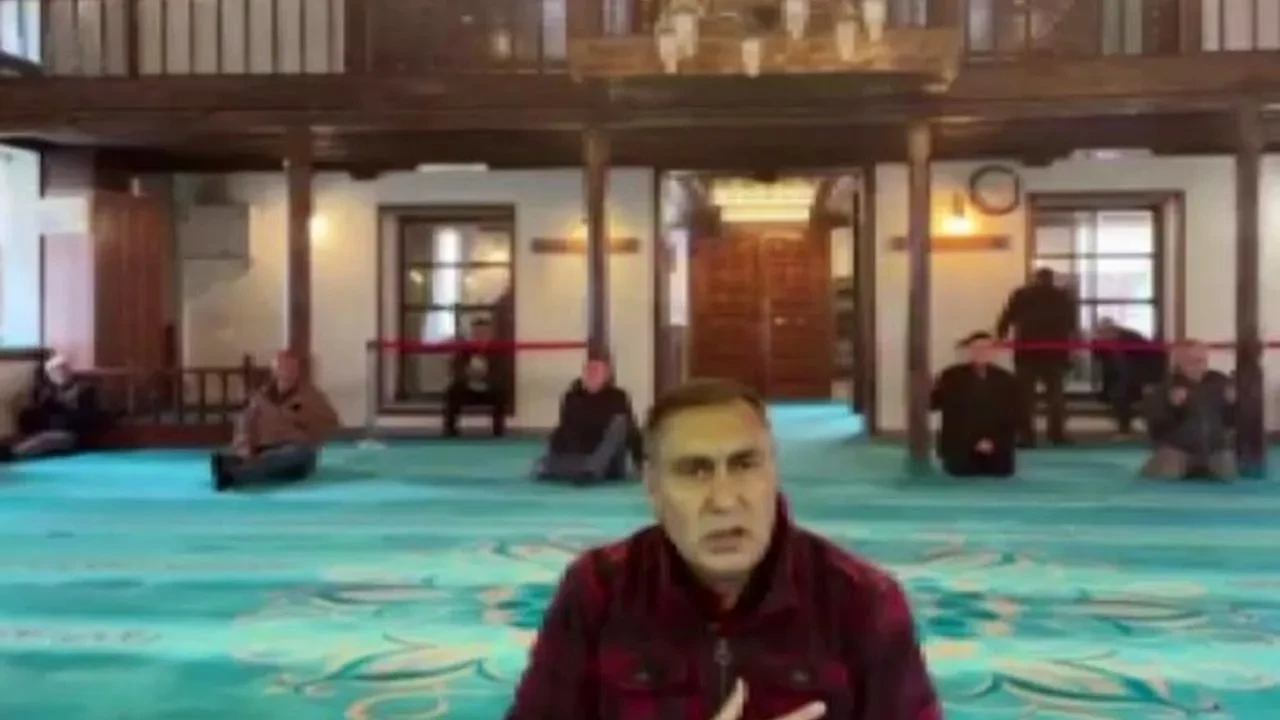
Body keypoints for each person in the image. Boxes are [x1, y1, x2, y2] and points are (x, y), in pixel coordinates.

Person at [506, 379, 940, 720]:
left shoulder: (860, 600)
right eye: (694, 471)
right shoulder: (599, 591)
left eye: (745, 465)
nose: (725, 500)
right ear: (653, 487)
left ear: (774, 472)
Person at [211, 350, 339, 491]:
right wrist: (244, 446)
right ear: (275, 371)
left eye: (292, 368)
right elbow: (244, 424)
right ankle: (239, 464)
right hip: (264, 447)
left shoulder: (311, 396)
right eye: (283, 368)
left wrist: (304, 425)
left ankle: (234, 474)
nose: (288, 372)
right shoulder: (259, 397)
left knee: (299, 455)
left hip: (295, 448)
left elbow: (331, 421)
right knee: (280, 468)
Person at [996, 267, 1078, 447]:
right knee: (1055, 397)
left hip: (1027, 352)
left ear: (1035, 279)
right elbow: (1071, 325)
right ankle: (1056, 435)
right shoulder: (1062, 296)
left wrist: (1000, 335)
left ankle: (1027, 437)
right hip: (1054, 353)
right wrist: (1070, 351)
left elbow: (1007, 316)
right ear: (1052, 279)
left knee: (1025, 398)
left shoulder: (1022, 294)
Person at [534, 357, 643, 483]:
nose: (591, 373)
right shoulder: (571, 397)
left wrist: (639, 461)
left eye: (596, 370)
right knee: (553, 441)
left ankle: (590, 470)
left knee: (620, 423)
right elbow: (565, 429)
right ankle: (572, 469)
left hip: (606, 459)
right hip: (581, 456)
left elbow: (629, 430)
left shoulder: (618, 397)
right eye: (588, 370)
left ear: (607, 376)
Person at [1142, 341, 1236, 480]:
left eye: (1202, 361)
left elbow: (1231, 422)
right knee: (1168, 471)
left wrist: (1233, 405)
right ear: (1178, 365)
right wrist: (1174, 408)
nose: (1199, 366)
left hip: (1214, 452)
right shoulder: (1163, 388)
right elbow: (1155, 429)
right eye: (1192, 362)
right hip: (1177, 451)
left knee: (1229, 471)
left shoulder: (1219, 383)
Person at [929, 332, 1019, 477]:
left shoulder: (1007, 379)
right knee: (961, 471)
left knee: (1001, 471)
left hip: (995, 444)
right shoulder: (951, 376)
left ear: (994, 352)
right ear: (969, 351)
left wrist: (993, 441)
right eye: (977, 348)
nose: (982, 352)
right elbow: (938, 408)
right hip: (962, 443)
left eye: (987, 348)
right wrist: (927, 388)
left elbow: (1013, 415)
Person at [0, 354, 99, 461]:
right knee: (22, 437)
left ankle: (11, 453)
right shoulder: (47, 392)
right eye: (54, 371)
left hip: (71, 434)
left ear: (69, 371)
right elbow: (34, 416)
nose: (60, 373)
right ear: (49, 376)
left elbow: (85, 418)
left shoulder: (83, 390)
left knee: (44, 440)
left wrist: (59, 411)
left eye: (63, 369)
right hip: (45, 430)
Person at [1091, 317, 1166, 435]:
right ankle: (1124, 426)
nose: (1102, 337)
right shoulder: (1105, 346)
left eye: (1104, 333)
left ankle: (1128, 427)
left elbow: (1151, 359)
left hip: (1144, 374)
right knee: (1118, 394)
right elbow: (1105, 366)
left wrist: (1148, 382)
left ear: (1113, 330)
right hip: (1124, 378)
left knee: (1122, 394)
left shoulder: (1131, 338)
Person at [443, 317, 506, 437]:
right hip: (468, 388)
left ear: (490, 334)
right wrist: (468, 374)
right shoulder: (464, 350)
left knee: (500, 391)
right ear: (472, 333)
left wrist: (485, 376)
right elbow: (456, 369)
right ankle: (450, 430)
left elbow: (501, 372)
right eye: (477, 332)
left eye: (483, 332)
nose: (480, 336)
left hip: (488, 389)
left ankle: (498, 431)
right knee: (453, 391)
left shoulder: (497, 351)